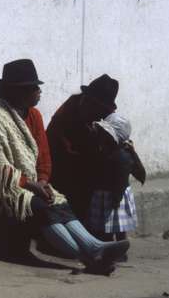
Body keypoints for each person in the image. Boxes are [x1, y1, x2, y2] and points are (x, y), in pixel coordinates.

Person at [0, 59, 129, 275]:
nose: (39, 92)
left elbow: (43, 154)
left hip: (33, 183)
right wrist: (30, 184)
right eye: (34, 88)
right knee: (40, 206)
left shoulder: (34, 115)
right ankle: (89, 254)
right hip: (4, 188)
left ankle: (94, 250)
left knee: (58, 202)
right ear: (18, 91)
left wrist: (43, 180)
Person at [46, 74, 119, 221]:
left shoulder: (105, 115)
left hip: (88, 169)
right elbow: (56, 141)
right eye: (92, 104)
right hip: (63, 166)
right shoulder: (68, 111)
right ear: (86, 98)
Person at [87, 113, 146, 259]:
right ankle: (110, 249)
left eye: (105, 134)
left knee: (116, 228)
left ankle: (118, 251)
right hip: (104, 193)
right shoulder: (106, 151)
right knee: (106, 227)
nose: (101, 136)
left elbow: (122, 179)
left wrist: (116, 198)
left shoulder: (122, 156)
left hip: (114, 196)